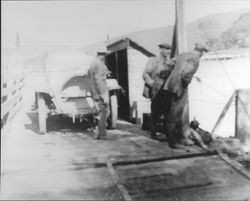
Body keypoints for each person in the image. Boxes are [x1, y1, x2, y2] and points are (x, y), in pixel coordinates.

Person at [163, 43, 209, 148]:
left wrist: (176, 74)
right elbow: (186, 74)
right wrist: (185, 86)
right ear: (202, 52)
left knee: (173, 112)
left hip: (170, 85)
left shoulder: (184, 54)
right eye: (204, 53)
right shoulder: (195, 59)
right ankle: (173, 142)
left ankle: (181, 138)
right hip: (179, 87)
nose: (203, 54)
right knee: (176, 114)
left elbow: (170, 63)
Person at [142, 43, 175, 139]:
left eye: (169, 49)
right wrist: (152, 83)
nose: (168, 51)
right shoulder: (153, 61)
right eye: (166, 49)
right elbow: (145, 74)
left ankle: (166, 131)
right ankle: (153, 132)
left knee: (167, 111)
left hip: (167, 90)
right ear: (160, 50)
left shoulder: (170, 62)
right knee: (155, 111)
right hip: (156, 90)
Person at [88, 48, 110, 139]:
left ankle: (98, 132)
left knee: (101, 112)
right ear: (103, 54)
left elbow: (90, 76)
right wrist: (104, 94)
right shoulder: (99, 64)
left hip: (95, 92)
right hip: (100, 92)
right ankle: (102, 134)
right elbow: (99, 80)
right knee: (104, 112)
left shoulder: (93, 62)